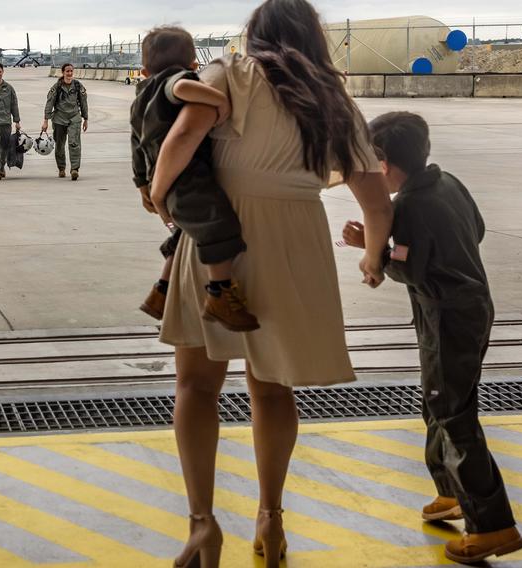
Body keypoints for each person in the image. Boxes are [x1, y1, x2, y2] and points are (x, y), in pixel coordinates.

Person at [145, 2, 394, 566]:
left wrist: (160, 194)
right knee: (272, 390)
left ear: (256, 34)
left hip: (219, 238)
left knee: (196, 388)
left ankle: (203, 525)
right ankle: (271, 519)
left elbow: (183, 135)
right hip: (296, 243)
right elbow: (376, 203)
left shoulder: (228, 74)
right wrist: (373, 259)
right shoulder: (335, 101)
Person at [342, 112, 522, 565]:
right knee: (437, 402)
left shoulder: (408, 208)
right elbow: (476, 230)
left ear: (382, 163)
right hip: (470, 306)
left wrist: (375, 250)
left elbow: (408, 267)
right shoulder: (448, 184)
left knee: (453, 414)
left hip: (448, 317)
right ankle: (453, 492)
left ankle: (493, 525)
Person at [131, 27, 259, 332]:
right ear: (192, 65)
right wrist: (219, 101)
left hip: (160, 175)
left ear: (145, 70)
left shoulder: (140, 98)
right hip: (186, 175)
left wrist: (143, 185)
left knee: (186, 234)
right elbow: (182, 89)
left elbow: (136, 145)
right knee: (219, 225)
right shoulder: (174, 78)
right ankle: (220, 293)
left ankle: (161, 292)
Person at [42, 63, 88, 180]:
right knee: (60, 146)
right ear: (63, 73)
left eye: (71, 71)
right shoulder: (56, 87)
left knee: (74, 143)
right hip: (59, 119)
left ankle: (74, 169)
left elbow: (83, 103)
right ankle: (61, 168)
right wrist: (45, 121)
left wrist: (85, 119)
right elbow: (49, 103)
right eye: (67, 71)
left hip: (74, 118)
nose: (69, 73)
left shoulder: (77, 86)